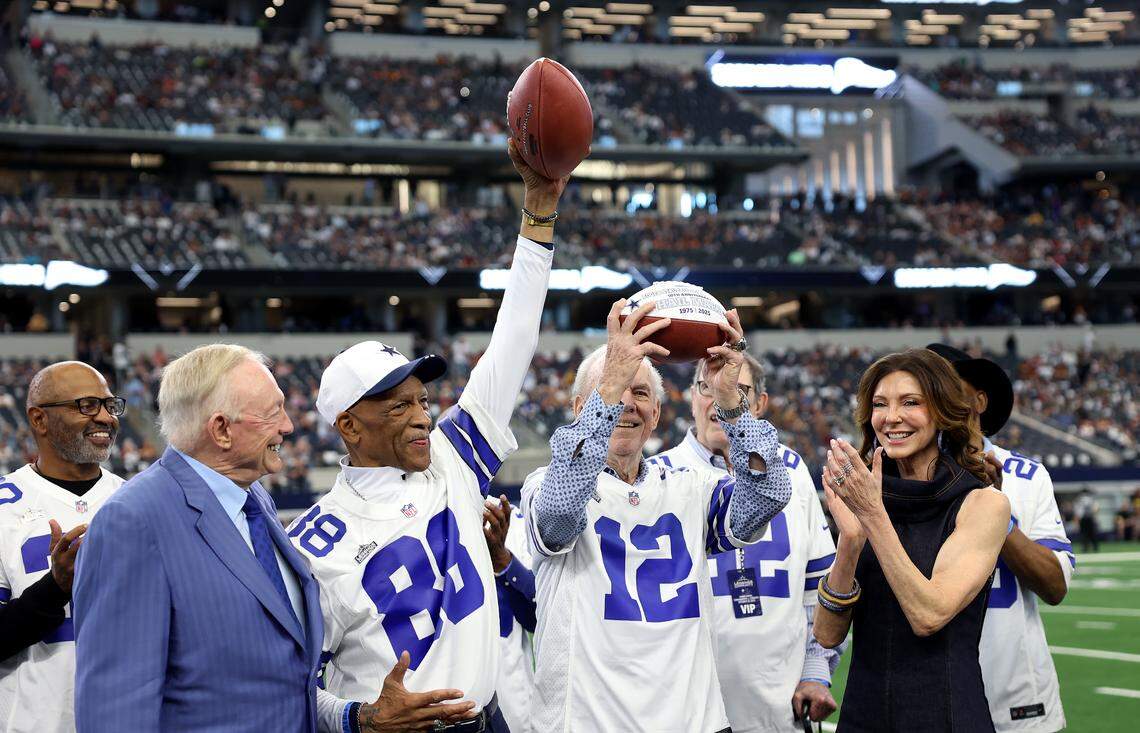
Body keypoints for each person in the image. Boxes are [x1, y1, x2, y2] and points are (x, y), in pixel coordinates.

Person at [288, 138, 561, 732]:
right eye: (396, 405)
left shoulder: (450, 457)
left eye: (421, 399)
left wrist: (538, 212)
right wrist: (356, 719)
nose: (421, 416)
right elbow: (282, 684)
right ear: (349, 426)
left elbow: (512, 342)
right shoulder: (313, 543)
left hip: (488, 720)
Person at [74, 344, 435, 732]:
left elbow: (284, 672)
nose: (288, 426)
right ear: (222, 430)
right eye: (272, 413)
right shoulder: (133, 522)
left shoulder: (252, 496)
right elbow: (115, 711)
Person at [522, 303, 793, 732]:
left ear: (656, 416)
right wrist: (611, 383)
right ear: (580, 407)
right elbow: (558, 514)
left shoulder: (689, 487)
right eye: (613, 392)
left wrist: (729, 402)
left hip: (694, 722)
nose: (626, 404)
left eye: (641, 393)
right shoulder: (544, 483)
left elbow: (767, 495)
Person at [814, 348, 1011, 732]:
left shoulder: (983, 504)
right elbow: (826, 634)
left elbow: (929, 615)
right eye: (880, 405)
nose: (892, 418)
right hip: (863, 716)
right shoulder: (866, 496)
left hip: (946, 715)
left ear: (940, 412)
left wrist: (872, 516)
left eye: (911, 403)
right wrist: (851, 542)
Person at [649, 353, 841, 732]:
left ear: (759, 404)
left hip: (780, 711)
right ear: (691, 397)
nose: (718, 399)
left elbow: (819, 586)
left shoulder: (791, 470)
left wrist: (816, 670)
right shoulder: (657, 477)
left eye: (735, 389)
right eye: (707, 387)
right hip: (687, 714)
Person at [928, 343, 1074, 732]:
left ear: (978, 400)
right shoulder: (904, 480)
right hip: (932, 694)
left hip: (1018, 695)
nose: (934, 397)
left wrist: (997, 515)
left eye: (945, 384)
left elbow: (1055, 586)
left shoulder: (1028, 477)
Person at [0, 362, 125, 733]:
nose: (105, 417)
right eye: (86, 405)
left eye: (109, 405)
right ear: (39, 419)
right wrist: (54, 589)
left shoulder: (142, 501)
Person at [483, 496, 537, 733]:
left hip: (512, 703)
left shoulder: (506, 517)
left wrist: (502, 560)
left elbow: (537, 617)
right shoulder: (416, 519)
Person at [1074, 489, 1099, 553]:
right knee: (1092, 533)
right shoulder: (1091, 498)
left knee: (1084, 534)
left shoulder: (1079, 499)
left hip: (1083, 519)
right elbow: (1096, 508)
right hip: (1090, 517)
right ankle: (1095, 547)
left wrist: (1077, 520)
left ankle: (1085, 547)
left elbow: (1077, 510)